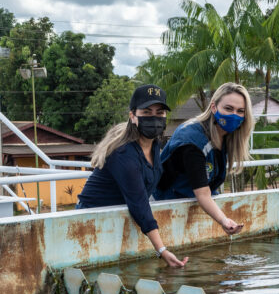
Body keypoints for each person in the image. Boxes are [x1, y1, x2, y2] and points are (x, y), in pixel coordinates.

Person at [77, 84, 188, 267]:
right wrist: (162, 250)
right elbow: (139, 202)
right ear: (133, 116)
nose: (154, 118)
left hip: (116, 220)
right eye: (146, 112)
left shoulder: (155, 146)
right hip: (90, 220)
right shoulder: (123, 153)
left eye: (159, 113)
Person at [154, 82, 253, 235]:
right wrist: (224, 221)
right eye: (228, 108)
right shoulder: (192, 139)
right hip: (163, 202)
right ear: (214, 107)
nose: (234, 115)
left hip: (190, 200)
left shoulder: (226, 136)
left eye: (240, 111)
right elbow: (202, 194)